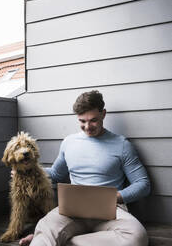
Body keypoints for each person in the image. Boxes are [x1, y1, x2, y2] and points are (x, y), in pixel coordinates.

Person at [18, 90, 151, 246]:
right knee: (46, 225)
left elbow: (143, 184)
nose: (87, 127)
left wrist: (115, 197)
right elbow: (55, 174)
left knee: (137, 236)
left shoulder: (122, 145)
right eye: (82, 121)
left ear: (103, 114)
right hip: (74, 209)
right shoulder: (69, 142)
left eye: (93, 120)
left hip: (110, 209)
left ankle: (63, 240)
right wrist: (28, 172)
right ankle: (48, 237)